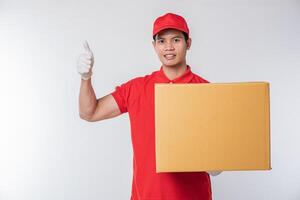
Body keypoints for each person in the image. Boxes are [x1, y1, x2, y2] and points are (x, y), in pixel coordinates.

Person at [77, 12, 222, 200]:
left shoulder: (207, 91)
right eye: (161, 41)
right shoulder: (136, 88)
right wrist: (85, 78)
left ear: (189, 43)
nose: (168, 47)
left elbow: (218, 161)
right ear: (154, 46)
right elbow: (90, 112)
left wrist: (214, 161)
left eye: (176, 39)